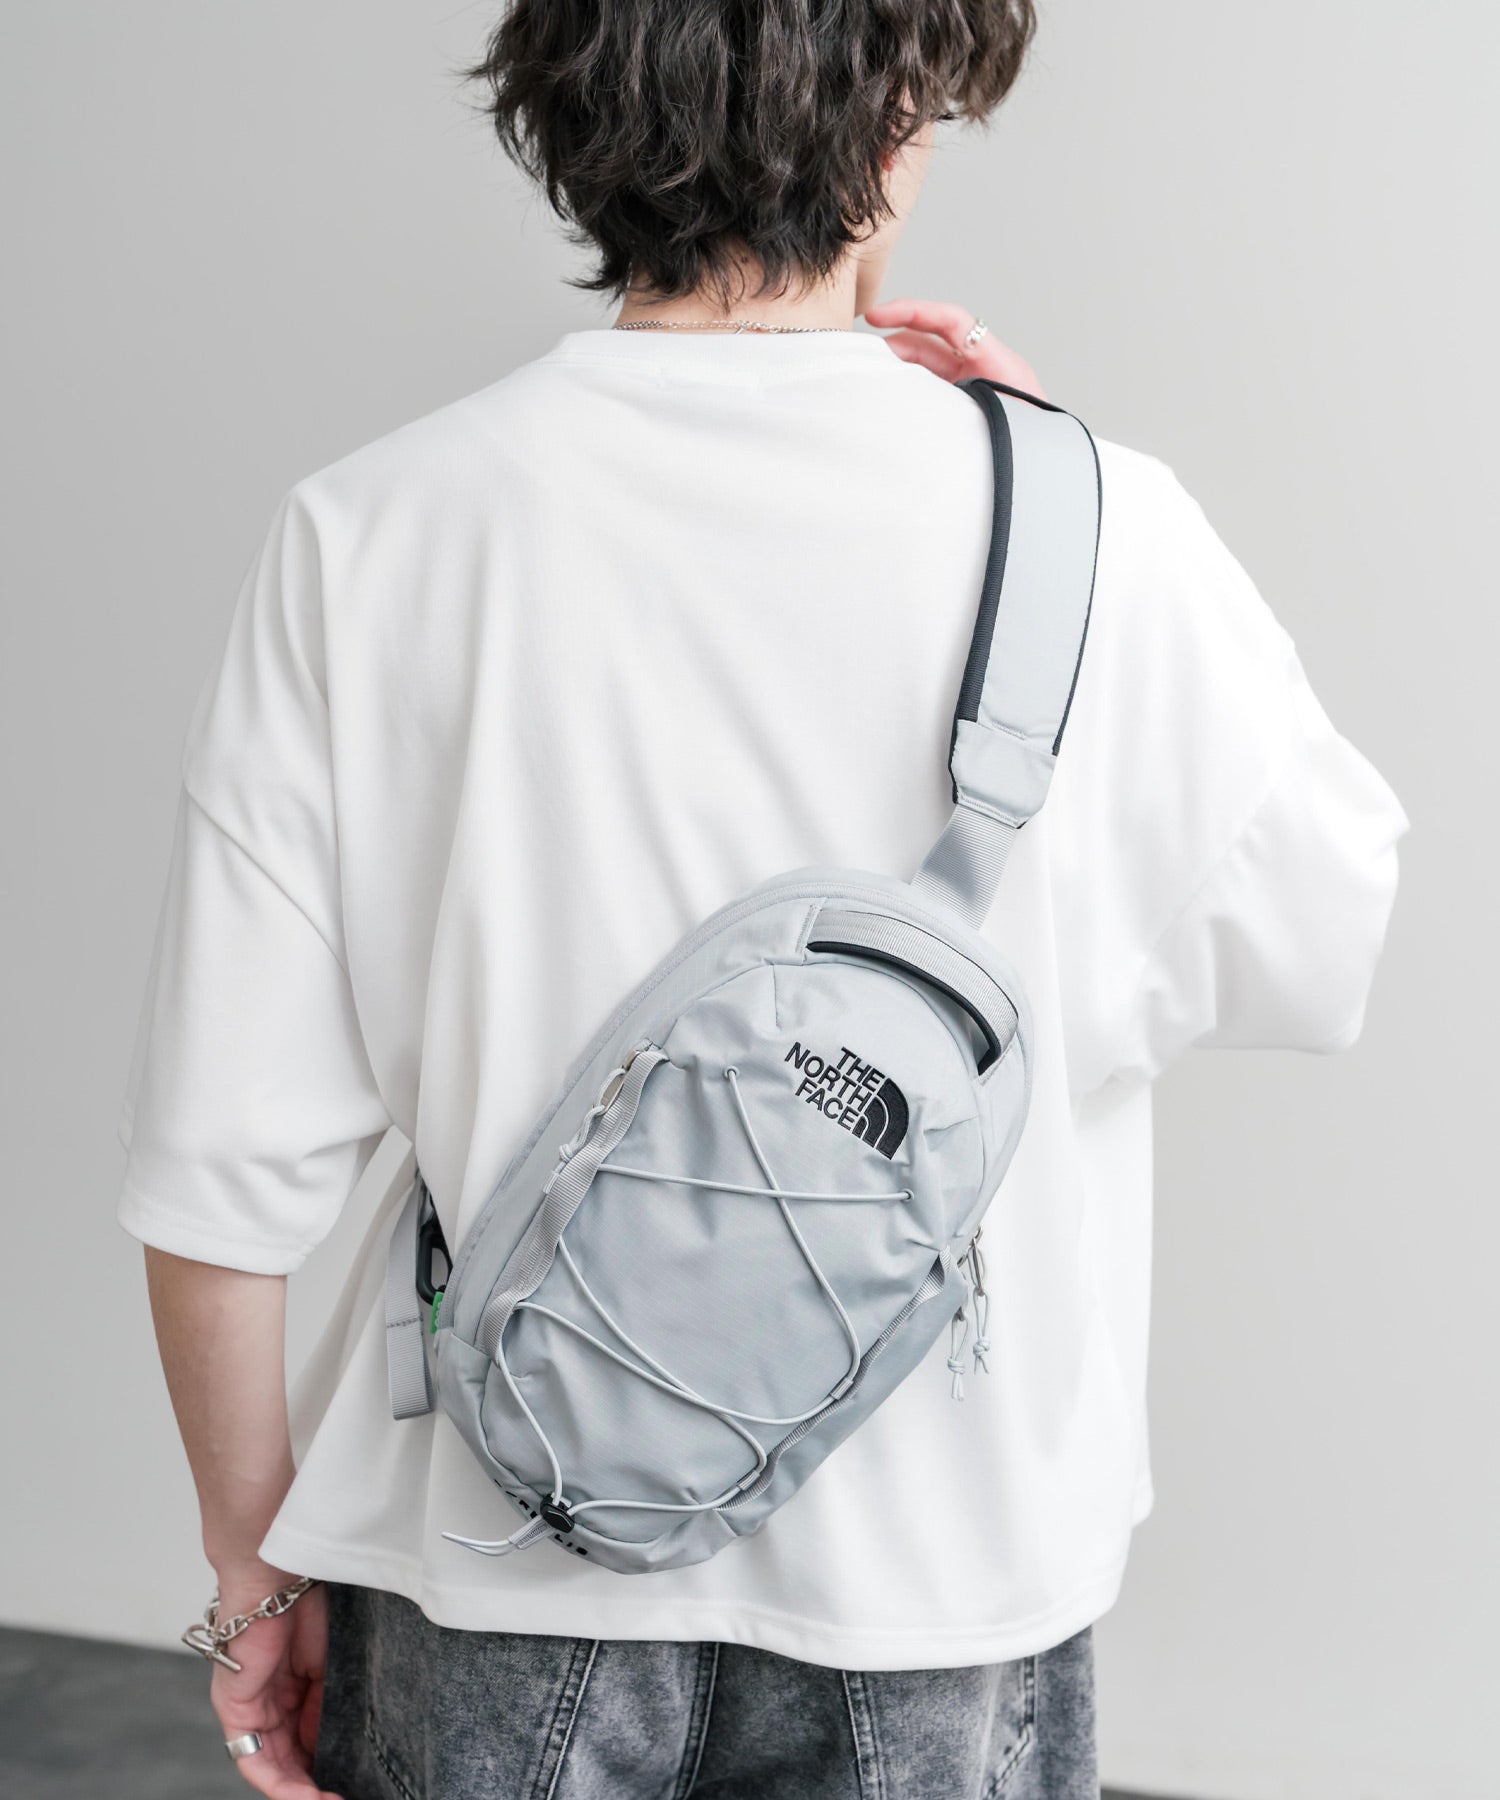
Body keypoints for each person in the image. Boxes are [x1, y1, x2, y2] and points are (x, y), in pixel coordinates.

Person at [116, 3, 1407, 1796]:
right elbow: (1325, 937)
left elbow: (219, 1174)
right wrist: (1067, 493)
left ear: (568, 109)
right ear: (900, 117)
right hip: (945, 1587)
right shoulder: (1105, 534)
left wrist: (253, 1570)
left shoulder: (371, 535)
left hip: (495, 1555)